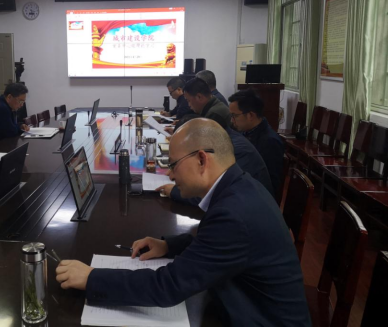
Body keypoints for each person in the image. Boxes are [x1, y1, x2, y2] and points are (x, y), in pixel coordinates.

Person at [56, 119, 310, 326]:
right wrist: (169, 246)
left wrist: (92, 278)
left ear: (201, 160)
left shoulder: (234, 214)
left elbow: (167, 287)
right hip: (244, 302)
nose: (169, 174)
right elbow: (217, 245)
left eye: (174, 165)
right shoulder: (240, 186)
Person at [158, 122, 274, 201]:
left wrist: (174, 192)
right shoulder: (235, 182)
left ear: (201, 160)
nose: (171, 176)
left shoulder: (227, 211)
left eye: (174, 165)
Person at [228, 88, 285, 193]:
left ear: (250, 115)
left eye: (234, 116)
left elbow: (270, 184)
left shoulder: (269, 142)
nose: (232, 120)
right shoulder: (245, 131)